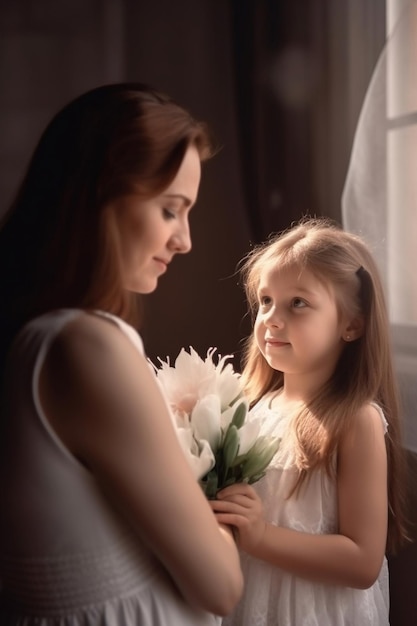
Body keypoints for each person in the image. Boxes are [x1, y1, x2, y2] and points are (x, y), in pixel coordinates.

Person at [0, 83, 243, 625]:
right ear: (101, 194)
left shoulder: (36, 336)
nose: (185, 241)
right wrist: (220, 516)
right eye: (169, 209)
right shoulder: (85, 348)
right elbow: (221, 586)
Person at [211, 217, 408, 626]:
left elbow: (363, 561)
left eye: (297, 303)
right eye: (265, 301)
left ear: (351, 324)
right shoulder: (251, 409)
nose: (271, 319)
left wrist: (261, 536)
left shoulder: (356, 421)